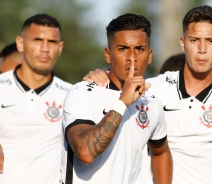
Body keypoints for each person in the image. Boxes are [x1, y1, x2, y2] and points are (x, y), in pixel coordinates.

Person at [83, 5, 212, 183]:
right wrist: (102, 76)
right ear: (183, 43)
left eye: (211, 41)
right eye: (194, 40)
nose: (202, 49)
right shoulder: (154, 87)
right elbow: (117, 92)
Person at [61, 13, 172, 184]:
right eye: (122, 49)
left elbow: (161, 152)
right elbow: (85, 152)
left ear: (149, 56)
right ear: (108, 54)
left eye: (140, 49)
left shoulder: (152, 103)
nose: (132, 58)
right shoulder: (82, 93)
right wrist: (123, 102)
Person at [0, 13, 72, 184]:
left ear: (60, 47)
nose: (45, 48)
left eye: (52, 42)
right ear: (20, 43)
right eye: (37, 40)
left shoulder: (72, 95)